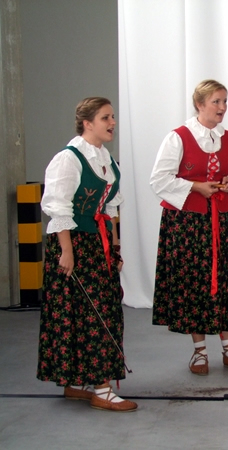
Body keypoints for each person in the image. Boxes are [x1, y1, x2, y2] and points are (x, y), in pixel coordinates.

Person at [37, 97, 137, 412]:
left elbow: (110, 209)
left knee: (100, 310)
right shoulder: (69, 159)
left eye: (113, 117)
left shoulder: (106, 159)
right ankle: (101, 388)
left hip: (98, 244)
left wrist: (115, 248)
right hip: (74, 243)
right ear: (87, 123)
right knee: (90, 315)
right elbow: (58, 207)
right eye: (106, 117)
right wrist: (66, 252)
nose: (112, 123)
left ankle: (77, 382)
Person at [150, 79, 228, 375]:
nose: (222, 107)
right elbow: (159, 179)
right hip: (188, 222)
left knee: (225, 280)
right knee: (194, 283)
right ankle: (199, 352)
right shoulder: (178, 137)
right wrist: (196, 186)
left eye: (225, 101)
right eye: (216, 102)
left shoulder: (227, 138)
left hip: (219, 218)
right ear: (199, 104)